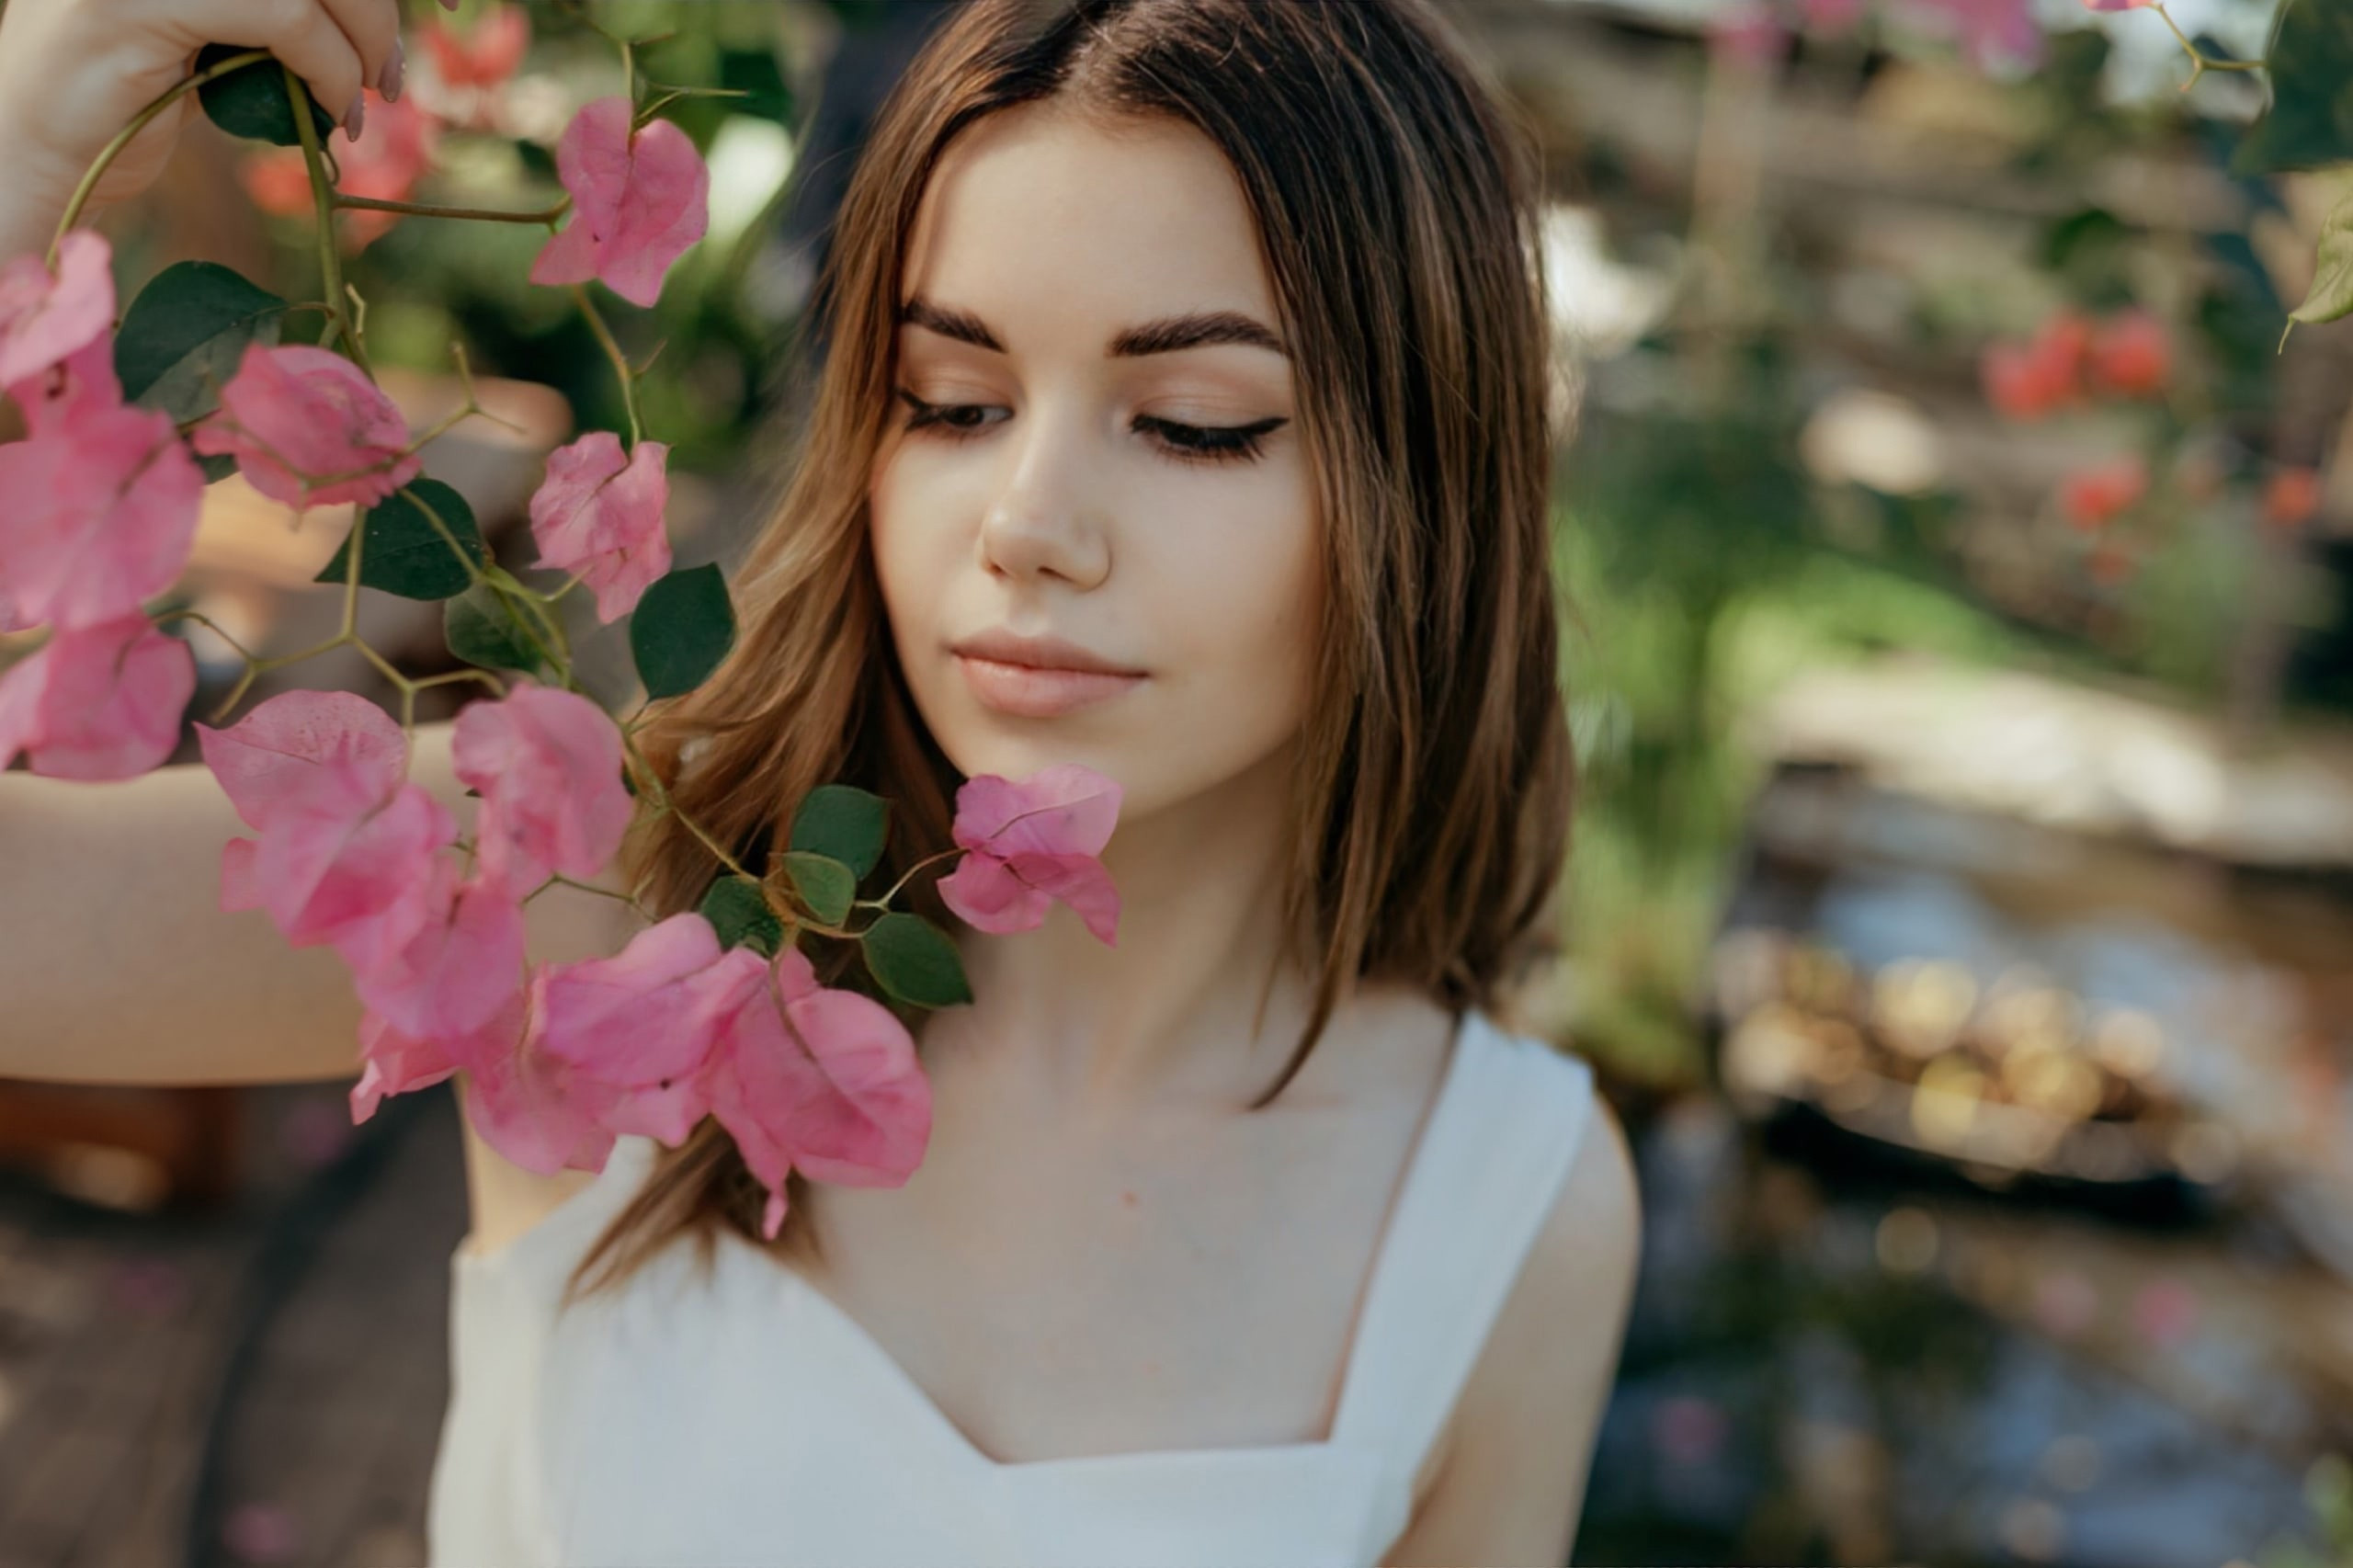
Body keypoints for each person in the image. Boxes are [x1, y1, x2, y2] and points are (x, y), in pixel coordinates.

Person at [0, 0, 1643, 1562]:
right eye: (954, 403)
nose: (1026, 523)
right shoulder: (591, 891)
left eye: (1195, 423)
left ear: (1427, 491)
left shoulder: (1506, 1215)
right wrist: (22, 142)